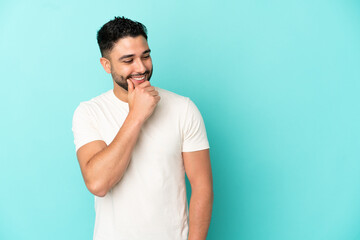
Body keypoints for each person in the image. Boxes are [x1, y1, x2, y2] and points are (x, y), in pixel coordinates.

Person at [72, 16, 213, 240]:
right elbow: (98, 183)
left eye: (145, 56)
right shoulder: (89, 112)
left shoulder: (183, 109)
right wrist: (136, 115)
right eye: (128, 60)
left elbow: (202, 188)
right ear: (106, 65)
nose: (141, 67)